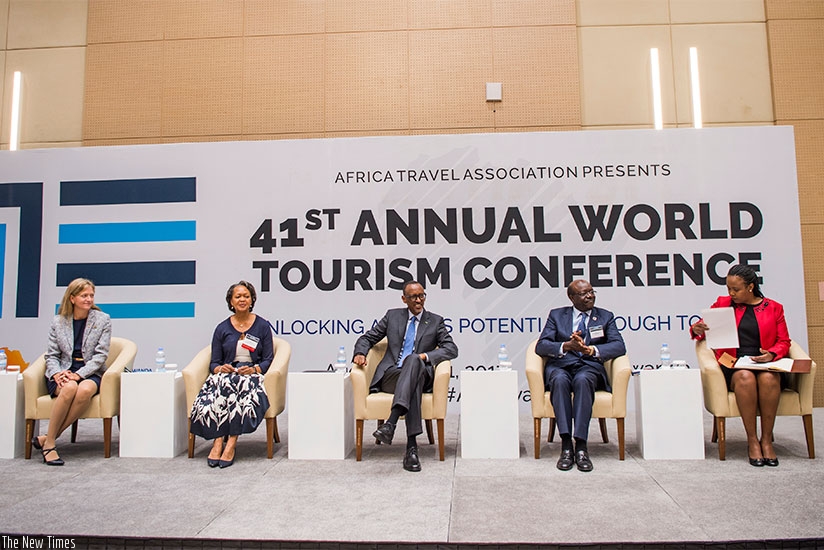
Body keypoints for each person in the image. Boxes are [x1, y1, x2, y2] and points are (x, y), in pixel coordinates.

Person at [690, 264, 790, 467]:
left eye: (736, 289)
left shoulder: (774, 308)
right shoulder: (723, 303)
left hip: (765, 363)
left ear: (750, 287)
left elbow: (784, 341)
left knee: (769, 379)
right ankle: (752, 441)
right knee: (745, 377)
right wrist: (697, 328)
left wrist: (771, 354)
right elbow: (701, 327)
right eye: (728, 288)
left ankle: (766, 440)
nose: (731, 293)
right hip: (734, 363)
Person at [353, 280, 458, 472]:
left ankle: (391, 423)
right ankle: (411, 449)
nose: (419, 300)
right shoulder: (392, 316)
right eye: (414, 297)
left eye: (422, 296)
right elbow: (367, 337)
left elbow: (451, 349)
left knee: (414, 361)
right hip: (392, 375)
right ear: (404, 299)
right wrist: (360, 353)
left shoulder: (435, 321)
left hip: (421, 373)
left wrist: (424, 357)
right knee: (413, 382)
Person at [535, 279, 626, 472]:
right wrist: (567, 346)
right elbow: (542, 345)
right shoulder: (557, 315)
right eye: (584, 294)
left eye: (592, 292)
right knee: (559, 380)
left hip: (589, 366)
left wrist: (591, 350)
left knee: (583, 380)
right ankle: (566, 445)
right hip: (561, 365)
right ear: (572, 297)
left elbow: (619, 346)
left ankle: (582, 446)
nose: (590, 296)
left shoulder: (605, 316)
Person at [189, 281, 273, 468]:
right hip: (227, 372)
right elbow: (214, 363)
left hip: (250, 374)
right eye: (238, 296)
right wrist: (220, 369)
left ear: (252, 300)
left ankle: (231, 443)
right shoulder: (222, 328)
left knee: (240, 387)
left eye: (246, 296)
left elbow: (268, 359)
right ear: (231, 302)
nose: (242, 299)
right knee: (221, 387)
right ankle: (218, 441)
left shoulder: (262, 326)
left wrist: (254, 369)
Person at [33, 278, 111, 466]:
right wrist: (56, 374)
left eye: (91, 295)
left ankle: (49, 439)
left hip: (90, 371)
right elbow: (52, 355)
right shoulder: (58, 322)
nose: (89, 299)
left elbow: (100, 356)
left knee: (84, 390)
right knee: (69, 388)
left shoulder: (102, 320)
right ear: (72, 298)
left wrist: (79, 375)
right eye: (84, 296)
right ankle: (50, 445)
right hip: (63, 371)